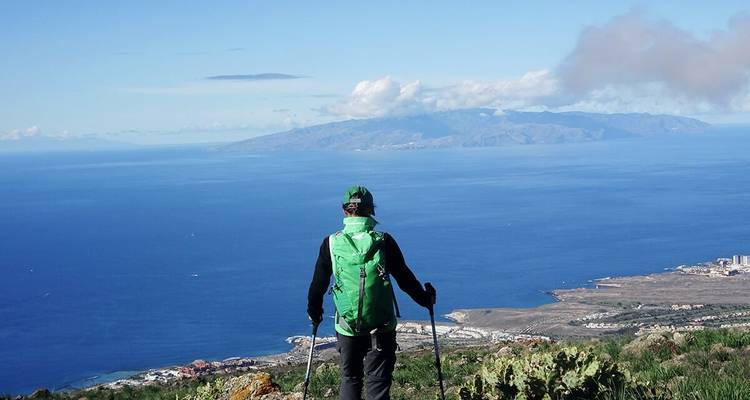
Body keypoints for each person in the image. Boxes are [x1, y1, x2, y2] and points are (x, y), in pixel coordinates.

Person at [307, 185, 436, 400]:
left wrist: (314, 312)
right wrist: (426, 299)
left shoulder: (331, 243)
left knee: (350, 378)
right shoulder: (384, 241)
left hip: (347, 328)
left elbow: (317, 285)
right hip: (382, 326)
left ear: (344, 210)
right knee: (378, 382)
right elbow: (405, 279)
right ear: (371, 210)